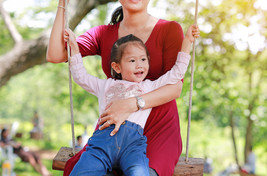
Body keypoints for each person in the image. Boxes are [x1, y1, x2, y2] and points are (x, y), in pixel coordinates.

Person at [47, 0, 188, 176]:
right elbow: (56, 54)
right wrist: (63, 1)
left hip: (159, 127)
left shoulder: (169, 30)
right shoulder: (104, 33)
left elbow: (175, 88)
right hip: (114, 128)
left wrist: (132, 104)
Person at [65, 24, 199, 175]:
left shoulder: (149, 87)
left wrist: (187, 42)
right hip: (102, 145)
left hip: (132, 147)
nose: (139, 65)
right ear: (117, 67)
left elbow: (176, 73)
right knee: (80, 172)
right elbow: (80, 76)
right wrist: (74, 48)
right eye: (132, 61)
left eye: (143, 59)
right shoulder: (105, 85)